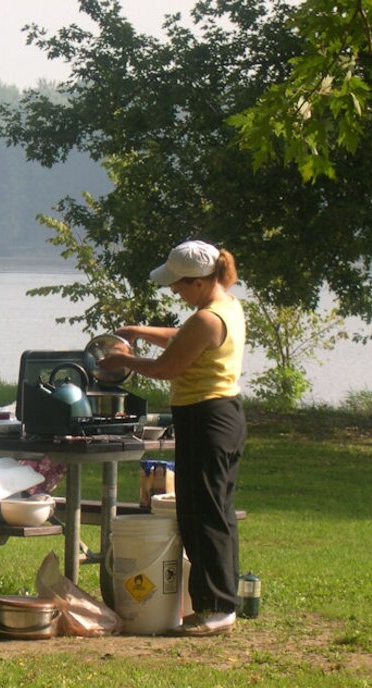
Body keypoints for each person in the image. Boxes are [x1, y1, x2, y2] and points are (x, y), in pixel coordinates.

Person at [99, 240, 246, 637]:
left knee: (202, 516)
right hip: (221, 416)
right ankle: (224, 602)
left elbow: (168, 367)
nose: (173, 290)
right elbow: (180, 337)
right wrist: (138, 332)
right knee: (217, 511)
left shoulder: (207, 319)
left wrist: (123, 360)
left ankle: (215, 608)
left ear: (198, 282)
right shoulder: (223, 307)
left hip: (207, 419)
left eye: (178, 284)